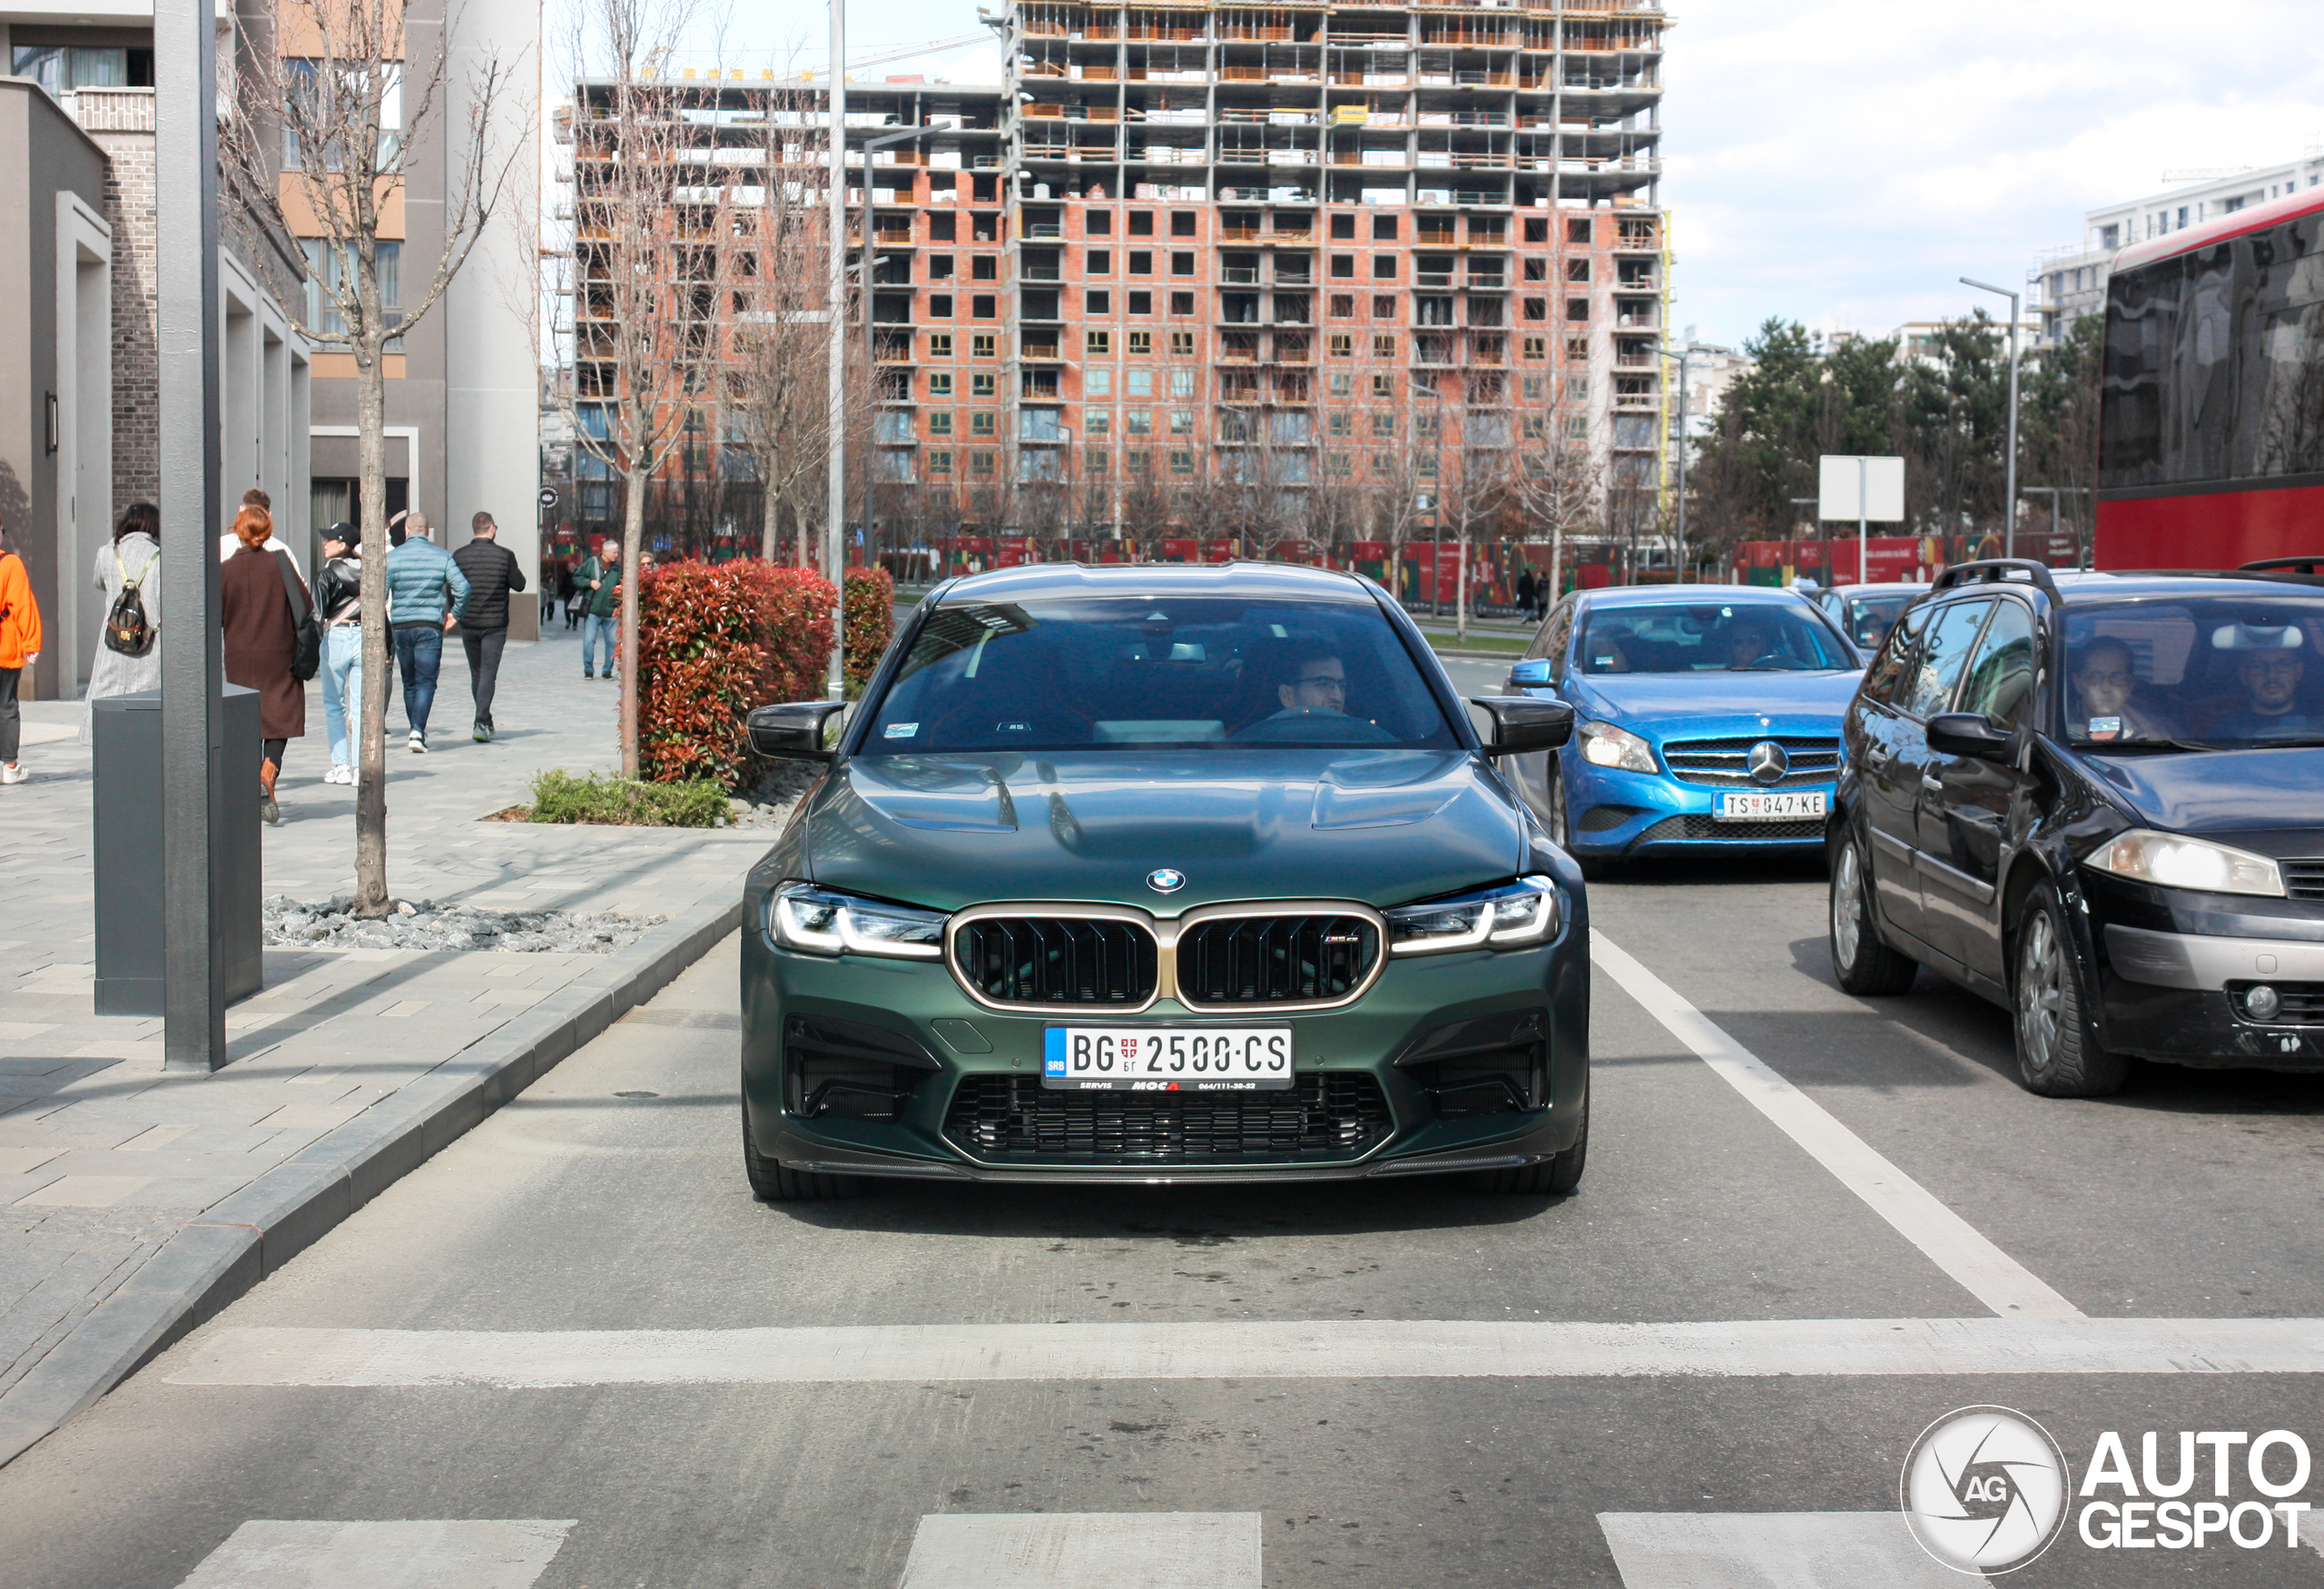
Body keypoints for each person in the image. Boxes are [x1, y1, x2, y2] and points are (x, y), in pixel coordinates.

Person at [220, 505, 309, 824]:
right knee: (278, 714)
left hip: (240, 655)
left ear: (238, 531)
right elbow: (305, 605)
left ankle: (247, 788)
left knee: (245, 718)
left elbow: (215, 615)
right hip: (279, 652)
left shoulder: (225, 570)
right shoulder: (280, 565)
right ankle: (268, 771)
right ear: (267, 530)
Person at [383, 511, 469, 752]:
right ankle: (417, 731)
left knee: (409, 681)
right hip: (430, 625)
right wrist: (456, 614)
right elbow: (463, 587)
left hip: (401, 625)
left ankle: (415, 729)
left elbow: (381, 591)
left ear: (407, 531)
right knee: (426, 681)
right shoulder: (443, 557)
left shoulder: (393, 557)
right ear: (427, 532)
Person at [81, 501, 163, 745]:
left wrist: (114, 542)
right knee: (147, 715)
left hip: (114, 643)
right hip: (148, 646)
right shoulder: (160, 558)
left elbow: (98, 581)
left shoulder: (108, 554)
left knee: (108, 707)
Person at [451, 510, 526, 742]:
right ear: (492, 528)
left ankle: (485, 718)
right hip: (495, 623)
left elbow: (451, 586)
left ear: (475, 529)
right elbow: (520, 584)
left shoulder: (459, 556)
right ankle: (481, 721)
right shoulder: (505, 556)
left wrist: (456, 611)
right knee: (488, 673)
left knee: (477, 672)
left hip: (469, 621)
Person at [312, 525, 364, 783]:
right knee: (359, 706)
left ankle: (341, 766)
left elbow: (317, 615)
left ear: (343, 545)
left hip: (336, 638)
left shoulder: (326, 575)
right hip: (364, 635)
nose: (325, 543)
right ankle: (360, 769)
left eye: (329, 539)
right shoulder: (369, 572)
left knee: (334, 705)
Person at [0, 508, 44, 785]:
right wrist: (31, 643)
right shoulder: (10, 564)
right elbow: (22, 605)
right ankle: (9, 766)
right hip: (4, 648)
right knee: (6, 705)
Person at [2069, 637, 2173, 741]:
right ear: (2078, 682)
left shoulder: (2153, 732)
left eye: (2118, 677)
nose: (2106, 688)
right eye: (2094, 677)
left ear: (2130, 685)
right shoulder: (2056, 731)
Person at [2211, 640, 2314, 741]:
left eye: (2283, 664)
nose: (2271, 675)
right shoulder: (2224, 733)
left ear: (2299, 671)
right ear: (2243, 675)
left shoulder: (2319, 721)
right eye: (2258, 665)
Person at [218, 487, 300, 577]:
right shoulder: (281, 551)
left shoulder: (222, 545)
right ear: (268, 514)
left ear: (241, 510)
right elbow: (296, 588)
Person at [578, 540, 620, 679]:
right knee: (589, 641)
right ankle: (588, 670)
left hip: (611, 611)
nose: (617, 555)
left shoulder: (617, 569)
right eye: (614, 552)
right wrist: (589, 583)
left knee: (613, 642)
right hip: (593, 610)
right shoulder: (591, 563)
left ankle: (607, 671)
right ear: (605, 552)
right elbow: (576, 578)